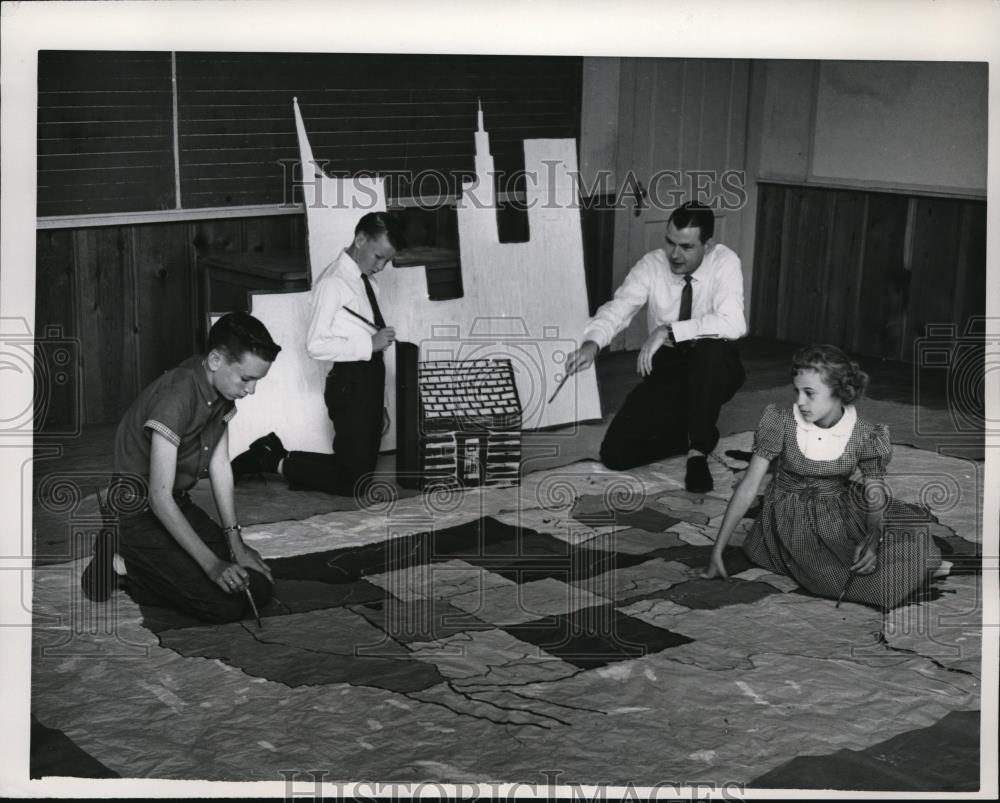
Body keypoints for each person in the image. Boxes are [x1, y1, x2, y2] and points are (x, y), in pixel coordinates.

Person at [703, 344, 943, 610]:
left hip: (840, 509)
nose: (800, 402)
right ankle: (910, 574)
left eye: (810, 393)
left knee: (911, 540)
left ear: (839, 392)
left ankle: (912, 567)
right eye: (797, 392)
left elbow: (875, 493)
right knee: (834, 577)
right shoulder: (781, 422)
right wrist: (717, 550)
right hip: (789, 519)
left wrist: (873, 538)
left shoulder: (865, 434)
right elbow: (748, 487)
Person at [81, 312, 280, 623]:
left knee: (257, 585)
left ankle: (155, 565)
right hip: (135, 509)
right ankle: (120, 560)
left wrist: (235, 543)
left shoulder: (221, 392)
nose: (251, 390)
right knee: (221, 606)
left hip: (175, 503)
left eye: (257, 380)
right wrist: (212, 565)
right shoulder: (178, 395)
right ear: (215, 360)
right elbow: (158, 498)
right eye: (246, 379)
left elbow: (220, 463)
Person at [565, 200, 746, 493]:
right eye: (670, 243)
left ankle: (698, 452)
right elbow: (619, 307)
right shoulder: (652, 264)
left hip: (714, 368)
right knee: (615, 455)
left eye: (686, 247)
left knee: (709, 351)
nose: (675, 254)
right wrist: (592, 343)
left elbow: (734, 324)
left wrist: (670, 329)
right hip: (670, 367)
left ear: (707, 245)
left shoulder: (725, 261)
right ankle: (691, 433)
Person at [230, 212, 406, 496]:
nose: (382, 266)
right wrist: (368, 345)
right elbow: (315, 344)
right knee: (354, 483)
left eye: (387, 260)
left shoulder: (365, 280)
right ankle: (271, 459)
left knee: (359, 471)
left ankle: (274, 452)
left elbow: (371, 345)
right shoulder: (333, 283)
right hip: (350, 383)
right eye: (378, 257)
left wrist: (381, 402)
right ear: (360, 240)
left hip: (369, 380)